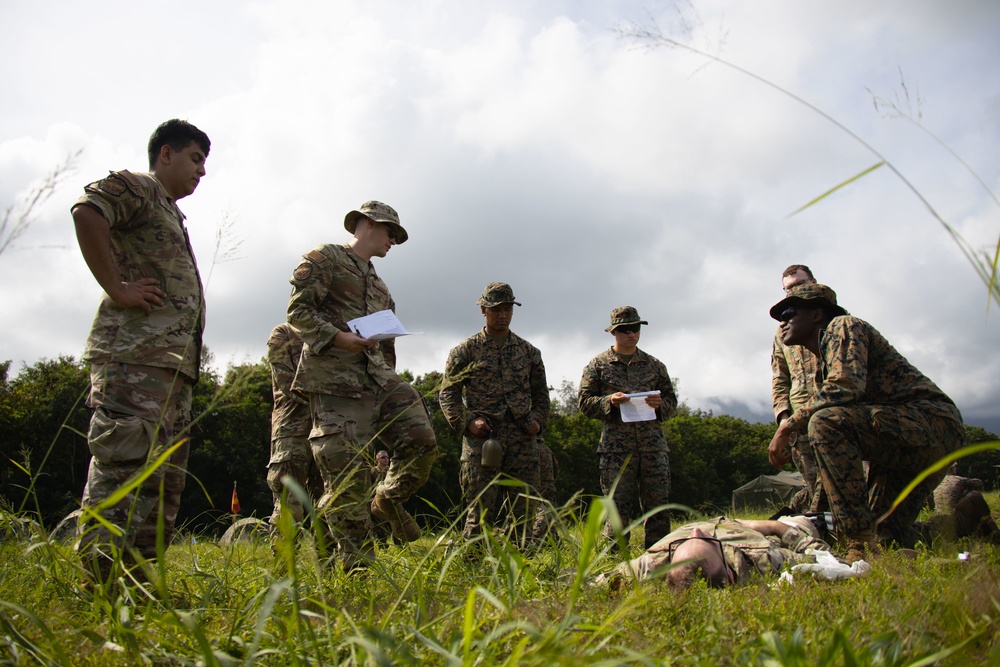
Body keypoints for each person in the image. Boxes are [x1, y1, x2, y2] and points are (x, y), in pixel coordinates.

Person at [72, 119, 211, 581]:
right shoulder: (139, 187)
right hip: (134, 360)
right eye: (195, 158)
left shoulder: (169, 210)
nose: (202, 171)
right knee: (123, 468)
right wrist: (118, 287)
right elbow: (87, 212)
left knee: (161, 483)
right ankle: (99, 586)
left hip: (169, 371)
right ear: (165, 154)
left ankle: (134, 585)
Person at [286, 201, 437, 571]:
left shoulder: (381, 287)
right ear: (366, 225)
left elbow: (386, 341)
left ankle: (386, 498)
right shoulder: (327, 259)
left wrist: (387, 375)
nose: (393, 242)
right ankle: (355, 572)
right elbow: (298, 313)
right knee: (347, 482)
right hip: (335, 384)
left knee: (422, 440)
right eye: (390, 233)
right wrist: (339, 338)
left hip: (376, 380)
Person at [767, 283, 964, 561]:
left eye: (789, 312)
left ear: (816, 314)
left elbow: (845, 386)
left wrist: (787, 426)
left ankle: (858, 546)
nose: (783, 322)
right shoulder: (826, 359)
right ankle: (966, 523)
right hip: (903, 440)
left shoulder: (843, 326)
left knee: (825, 422)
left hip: (931, 426)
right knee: (886, 536)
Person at [439, 282, 550, 545]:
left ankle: (519, 571)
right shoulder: (465, 351)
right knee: (480, 513)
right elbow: (447, 395)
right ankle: (474, 570)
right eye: (496, 309)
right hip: (483, 442)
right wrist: (467, 422)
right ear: (483, 310)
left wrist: (538, 422)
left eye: (508, 309)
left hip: (523, 442)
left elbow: (542, 397)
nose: (502, 315)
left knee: (523, 512)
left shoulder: (529, 352)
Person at [578, 306, 677, 550]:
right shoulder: (598, 365)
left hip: (653, 447)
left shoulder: (655, 366)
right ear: (614, 332)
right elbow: (583, 403)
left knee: (658, 508)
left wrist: (659, 405)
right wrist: (608, 401)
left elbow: (672, 402)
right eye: (624, 330)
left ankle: (659, 561)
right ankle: (614, 565)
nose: (631, 334)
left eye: (635, 328)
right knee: (616, 509)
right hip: (616, 450)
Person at [600, 515, 832, 590]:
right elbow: (821, 556)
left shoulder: (648, 566)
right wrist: (773, 527)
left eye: (684, 542)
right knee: (800, 520)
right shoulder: (762, 559)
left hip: (737, 522)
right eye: (708, 541)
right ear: (730, 575)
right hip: (763, 530)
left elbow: (592, 582)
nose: (697, 529)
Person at [770, 265, 823, 513]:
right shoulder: (782, 333)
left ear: (813, 282)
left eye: (799, 284)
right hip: (797, 424)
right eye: (788, 288)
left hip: (835, 415)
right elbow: (779, 379)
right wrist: (783, 419)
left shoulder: (832, 321)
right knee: (814, 487)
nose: (794, 291)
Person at [266, 323, 322, 530]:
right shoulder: (283, 333)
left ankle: (330, 562)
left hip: (327, 432)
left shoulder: (333, 334)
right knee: (289, 506)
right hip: (292, 431)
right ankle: (284, 563)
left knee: (329, 506)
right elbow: (286, 381)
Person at [531, 440, 560, 542]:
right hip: (549, 488)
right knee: (550, 518)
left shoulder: (530, 449)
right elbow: (556, 470)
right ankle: (554, 542)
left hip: (534, 489)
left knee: (536, 516)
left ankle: (535, 541)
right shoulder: (547, 450)